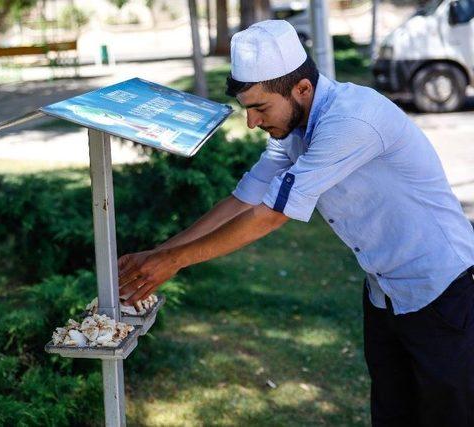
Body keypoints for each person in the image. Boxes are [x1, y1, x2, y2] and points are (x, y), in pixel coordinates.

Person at [117, 20, 474, 426]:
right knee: (392, 414)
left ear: (302, 89)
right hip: (384, 292)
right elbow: (245, 197)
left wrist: (176, 262)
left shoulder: (350, 122)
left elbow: (270, 215)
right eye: (247, 109)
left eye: (260, 108)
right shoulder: (294, 125)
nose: (252, 122)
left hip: (441, 290)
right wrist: (161, 254)